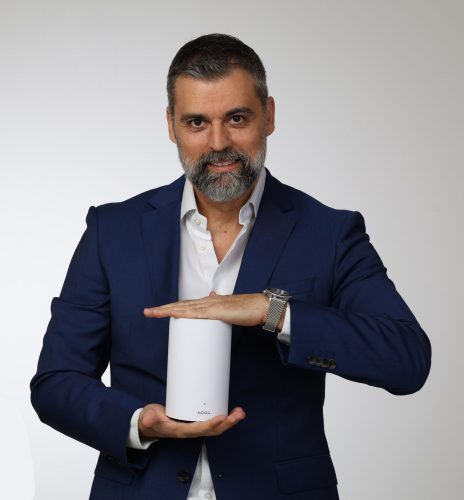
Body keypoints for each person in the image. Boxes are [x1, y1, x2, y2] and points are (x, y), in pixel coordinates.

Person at [31, 34, 432, 500]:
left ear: (269, 116)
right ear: (171, 125)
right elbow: (56, 382)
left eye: (237, 118)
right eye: (196, 122)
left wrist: (273, 311)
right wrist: (138, 422)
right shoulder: (112, 231)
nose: (218, 143)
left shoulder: (330, 233)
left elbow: (407, 360)